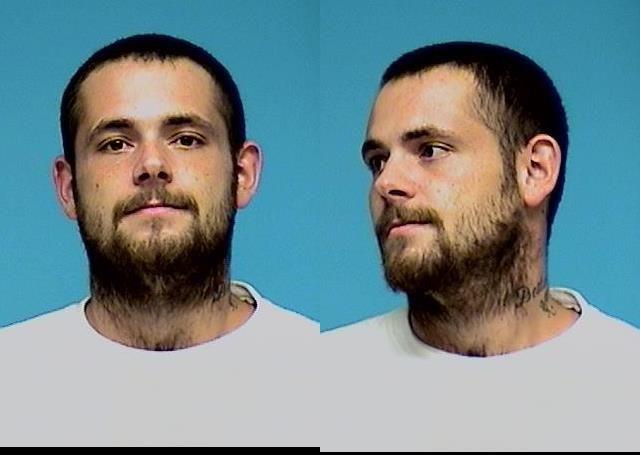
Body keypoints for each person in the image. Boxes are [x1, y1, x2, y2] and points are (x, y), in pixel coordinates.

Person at [0, 34, 316, 446]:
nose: (151, 165)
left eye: (186, 139)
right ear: (68, 188)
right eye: (115, 144)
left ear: (242, 175)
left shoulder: (324, 374)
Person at [323, 42, 640, 451]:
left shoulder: (627, 385)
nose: (386, 183)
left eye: (430, 150)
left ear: (535, 169)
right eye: (378, 160)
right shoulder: (319, 383)